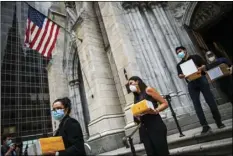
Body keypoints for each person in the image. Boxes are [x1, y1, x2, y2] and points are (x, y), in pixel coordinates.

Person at [176, 46, 225, 134]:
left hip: (201, 79)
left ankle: (218, 121)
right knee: (196, 104)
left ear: (185, 50)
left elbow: (204, 65)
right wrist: (182, 75)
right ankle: (204, 125)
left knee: (210, 100)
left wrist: (200, 68)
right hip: (191, 83)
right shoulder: (179, 65)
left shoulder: (195, 57)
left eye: (180, 51)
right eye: (178, 53)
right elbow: (179, 75)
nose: (179, 53)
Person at [128, 76, 169, 155]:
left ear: (137, 81)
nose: (130, 86)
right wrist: (137, 116)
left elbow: (165, 103)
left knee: (162, 152)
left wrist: (156, 110)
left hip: (155, 124)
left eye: (131, 83)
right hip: (144, 128)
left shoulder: (148, 90)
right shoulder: (136, 97)